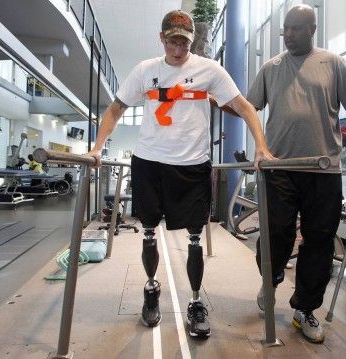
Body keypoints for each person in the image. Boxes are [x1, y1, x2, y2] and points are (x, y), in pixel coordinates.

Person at [89, 9, 273, 338]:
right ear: (161, 39)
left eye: (184, 44)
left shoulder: (209, 70)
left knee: (194, 236)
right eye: (172, 42)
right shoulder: (145, 71)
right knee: (148, 231)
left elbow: (244, 107)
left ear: (191, 42)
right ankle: (150, 291)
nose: (178, 50)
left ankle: (196, 302)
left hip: (192, 166)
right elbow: (116, 109)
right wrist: (97, 147)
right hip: (149, 164)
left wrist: (261, 146)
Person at [246, 5, 346, 344]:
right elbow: (249, 107)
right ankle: (271, 277)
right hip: (279, 168)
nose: (287, 35)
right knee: (276, 234)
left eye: (295, 28)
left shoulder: (333, 63)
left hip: (323, 169)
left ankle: (304, 308)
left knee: (319, 241)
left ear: (312, 29)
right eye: (284, 29)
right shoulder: (270, 67)